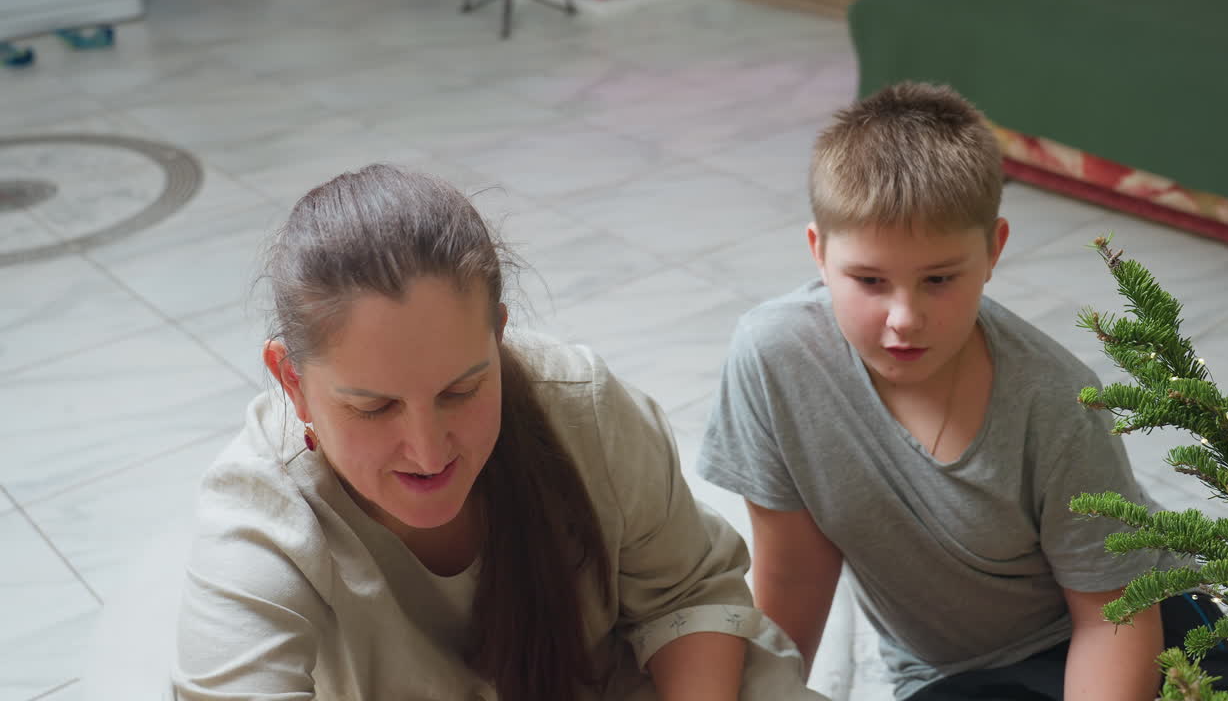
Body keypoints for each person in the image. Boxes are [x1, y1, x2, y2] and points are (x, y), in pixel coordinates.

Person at [172, 164, 825, 701]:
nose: (428, 451)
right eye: (373, 408)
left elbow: (690, 594)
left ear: (500, 338)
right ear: (291, 382)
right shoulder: (260, 513)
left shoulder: (582, 406)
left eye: (462, 391)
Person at [696, 82, 1228, 700]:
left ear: (993, 250)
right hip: (962, 675)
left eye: (938, 279)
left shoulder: (1057, 400)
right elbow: (797, 573)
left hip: (1145, 629)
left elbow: (1111, 618)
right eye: (869, 280)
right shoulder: (772, 358)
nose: (903, 318)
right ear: (819, 252)